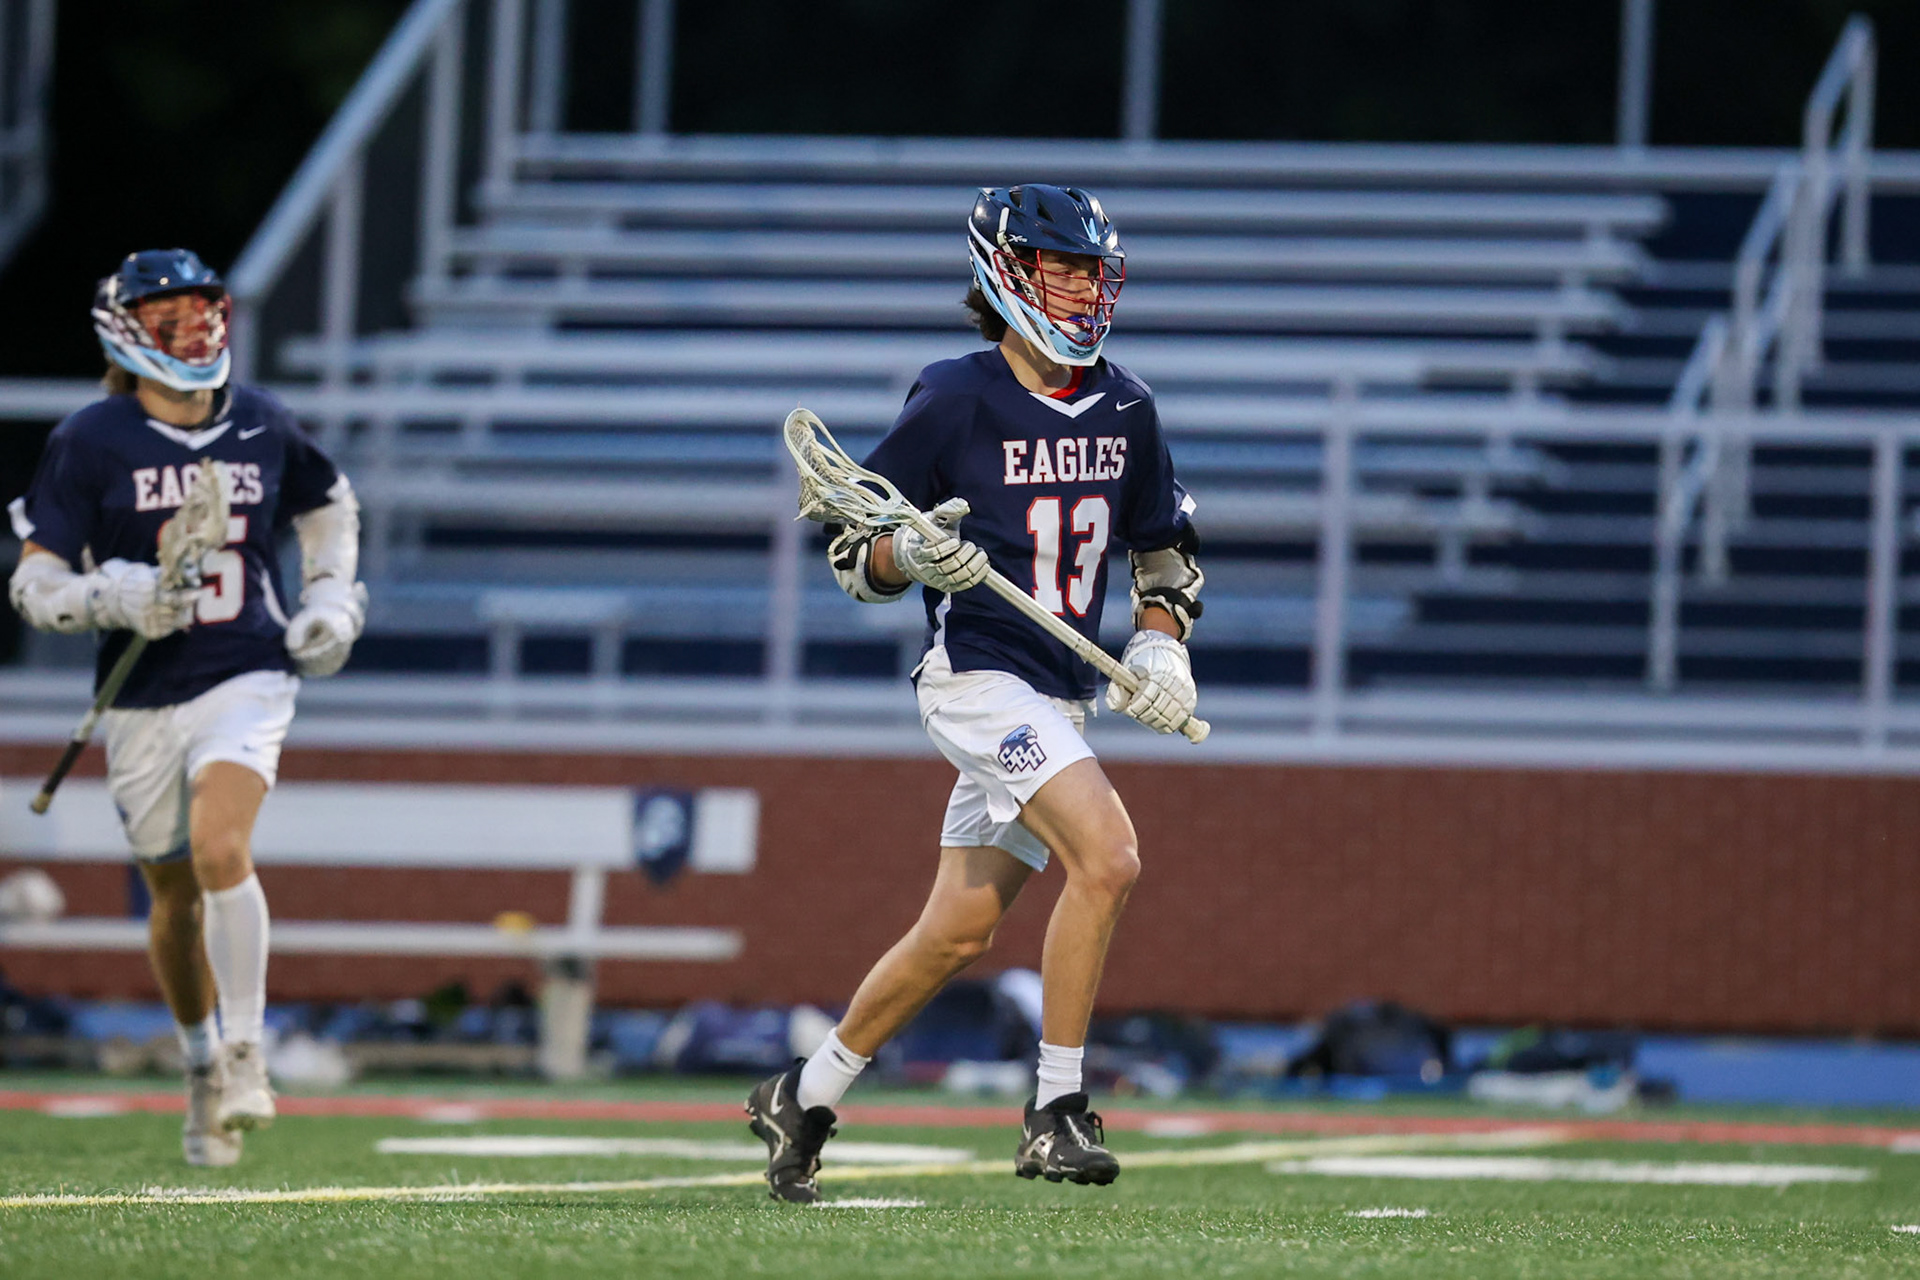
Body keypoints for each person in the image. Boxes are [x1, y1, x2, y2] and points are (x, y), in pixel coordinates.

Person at [746, 186, 1203, 1202]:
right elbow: (855, 553)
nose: (1084, 289)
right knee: (1110, 857)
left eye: (1092, 271)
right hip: (980, 678)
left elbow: (1164, 551)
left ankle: (803, 1095)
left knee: (957, 930)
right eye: (1063, 269)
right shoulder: (956, 396)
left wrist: (1161, 648)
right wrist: (910, 554)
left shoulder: (1128, 406)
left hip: (1062, 691)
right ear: (1005, 274)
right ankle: (1057, 1109)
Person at [6, 249, 368, 1166]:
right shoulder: (91, 439)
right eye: (168, 319)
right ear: (125, 336)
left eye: (201, 312)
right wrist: (113, 596)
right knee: (172, 899)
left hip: (246, 667)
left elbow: (329, 505)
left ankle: (247, 1053)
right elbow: (35, 583)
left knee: (220, 849)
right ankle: (202, 1061)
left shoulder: (260, 421)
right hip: (140, 694)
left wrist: (330, 598)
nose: (193, 331)